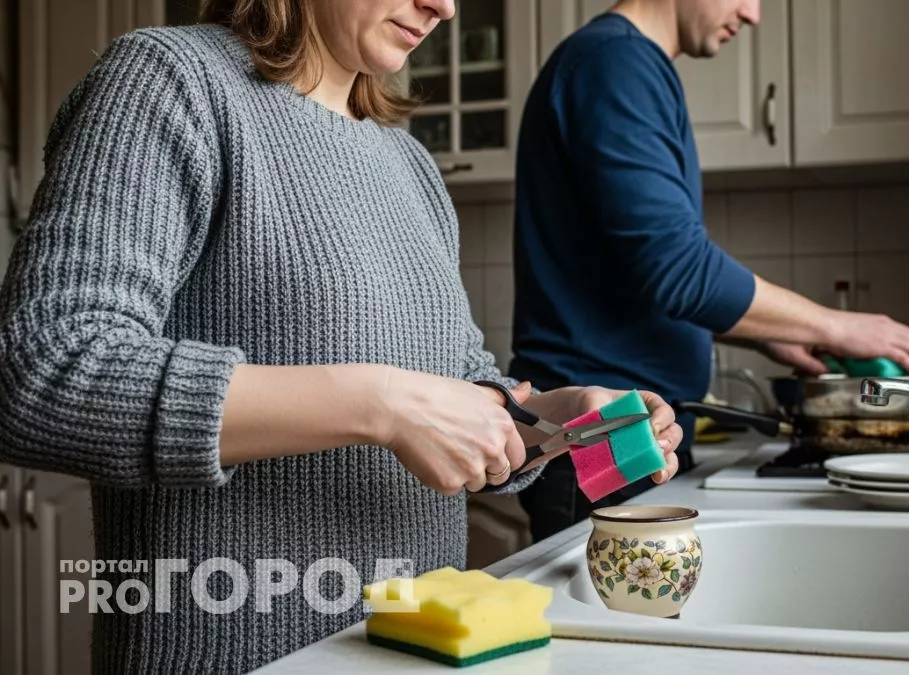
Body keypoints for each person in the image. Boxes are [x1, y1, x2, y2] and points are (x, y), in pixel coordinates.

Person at [0, 1, 683, 672]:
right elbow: (41, 367)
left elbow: (455, 391)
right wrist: (380, 404)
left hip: (414, 657)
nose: (444, 8)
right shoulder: (172, 81)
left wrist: (559, 418)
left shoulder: (410, 163)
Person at [509, 0, 909, 542]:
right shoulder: (614, 64)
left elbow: (636, 274)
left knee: (639, 596)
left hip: (636, 431)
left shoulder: (624, 63)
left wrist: (767, 335)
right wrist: (838, 326)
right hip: (601, 433)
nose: (753, 14)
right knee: (614, 597)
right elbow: (678, 269)